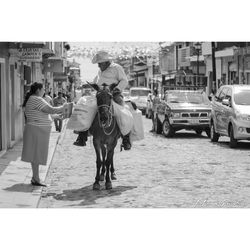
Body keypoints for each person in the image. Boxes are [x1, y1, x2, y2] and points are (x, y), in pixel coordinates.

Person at [73, 50, 132, 150]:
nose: (98, 66)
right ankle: (82, 136)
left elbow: (124, 80)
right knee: (86, 107)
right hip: (101, 95)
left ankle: (125, 138)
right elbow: (96, 81)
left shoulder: (117, 68)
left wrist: (117, 89)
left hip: (114, 94)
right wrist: (91, 84)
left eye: (100, 63)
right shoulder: (100, 71)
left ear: (106, 62)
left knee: (122, 113)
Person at [21, 82, 66, 187]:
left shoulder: (33, 99)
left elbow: (43, 114)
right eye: (43, 89)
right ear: (38, 90)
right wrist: (64, 107)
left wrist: (57, 117)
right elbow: (50, 109)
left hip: (36, 129)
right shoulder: (37, 99)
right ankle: (36, 179)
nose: (44, 91)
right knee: (36, 154)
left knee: (35, 155)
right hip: (37, 130)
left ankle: (35, 177)